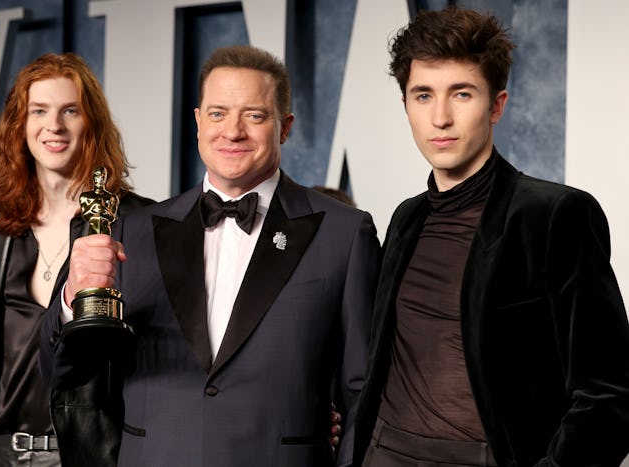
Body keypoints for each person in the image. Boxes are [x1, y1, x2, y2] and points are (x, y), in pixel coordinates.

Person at [40, 44, 380, 466]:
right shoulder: (132, 231)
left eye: (254, 116)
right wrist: (73, 299)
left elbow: (364, 393)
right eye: (218, 113)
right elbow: (63, 374)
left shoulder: (344, 233)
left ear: (285, 126)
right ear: (198, 121)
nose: (232, 131)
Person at [354, 6, 629, 467]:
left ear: (496, 104)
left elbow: (609, 394)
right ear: (405, 104)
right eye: (423, 95)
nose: (440, 117)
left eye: (461, 94)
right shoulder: (406, 218)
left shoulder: (553, 215)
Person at [0, 52, 153, 467]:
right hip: (1, 452)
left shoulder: (136, 222)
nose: (53, 126)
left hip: (91, 455)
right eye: (39, 111)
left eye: (69, 110)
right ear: (20, 125)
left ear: (91, 122)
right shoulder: (2, 226)